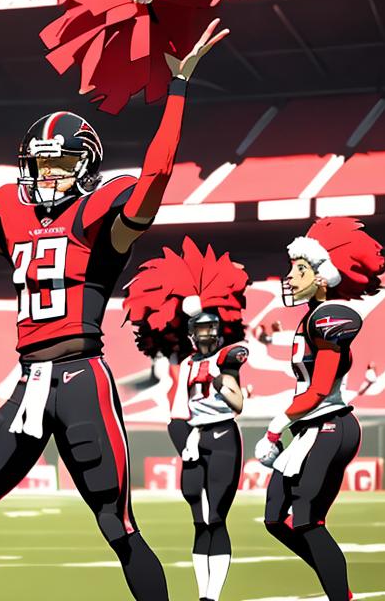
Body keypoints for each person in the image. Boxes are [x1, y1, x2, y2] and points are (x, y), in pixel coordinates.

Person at [0, 22, 227, 601]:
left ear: (86, 168)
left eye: (59, 165)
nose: (46, 176)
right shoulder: (12, 214)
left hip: (81, 380)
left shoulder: (103, 214)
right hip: (27, 385)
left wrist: (179, 87)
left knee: (119, 528)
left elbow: (157, 174)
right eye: (39, 165)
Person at [255, 217, 385, 601]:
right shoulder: (308, 318)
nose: (290, 278)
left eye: (300, 269)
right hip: (310, 428)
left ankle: (338, 594)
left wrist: (274, 429)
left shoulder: (331, 317)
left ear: (323, 276)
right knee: (276, 518)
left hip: (329, 425)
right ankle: (334, 580)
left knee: (309, 521)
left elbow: (319, 389)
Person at [126, 238, 249, 601]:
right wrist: (187, 442)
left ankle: (214, 595)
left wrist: (220, 385)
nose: (208, 335)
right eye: (202, 330)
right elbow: (176, 413)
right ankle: (202, 594)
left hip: (223, 435)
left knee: (216, 517)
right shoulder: (188, 364)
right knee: (197, 515)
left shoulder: (227, 358)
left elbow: (237, 403)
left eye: (212, 329)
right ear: (192, 333)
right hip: (195, 437)